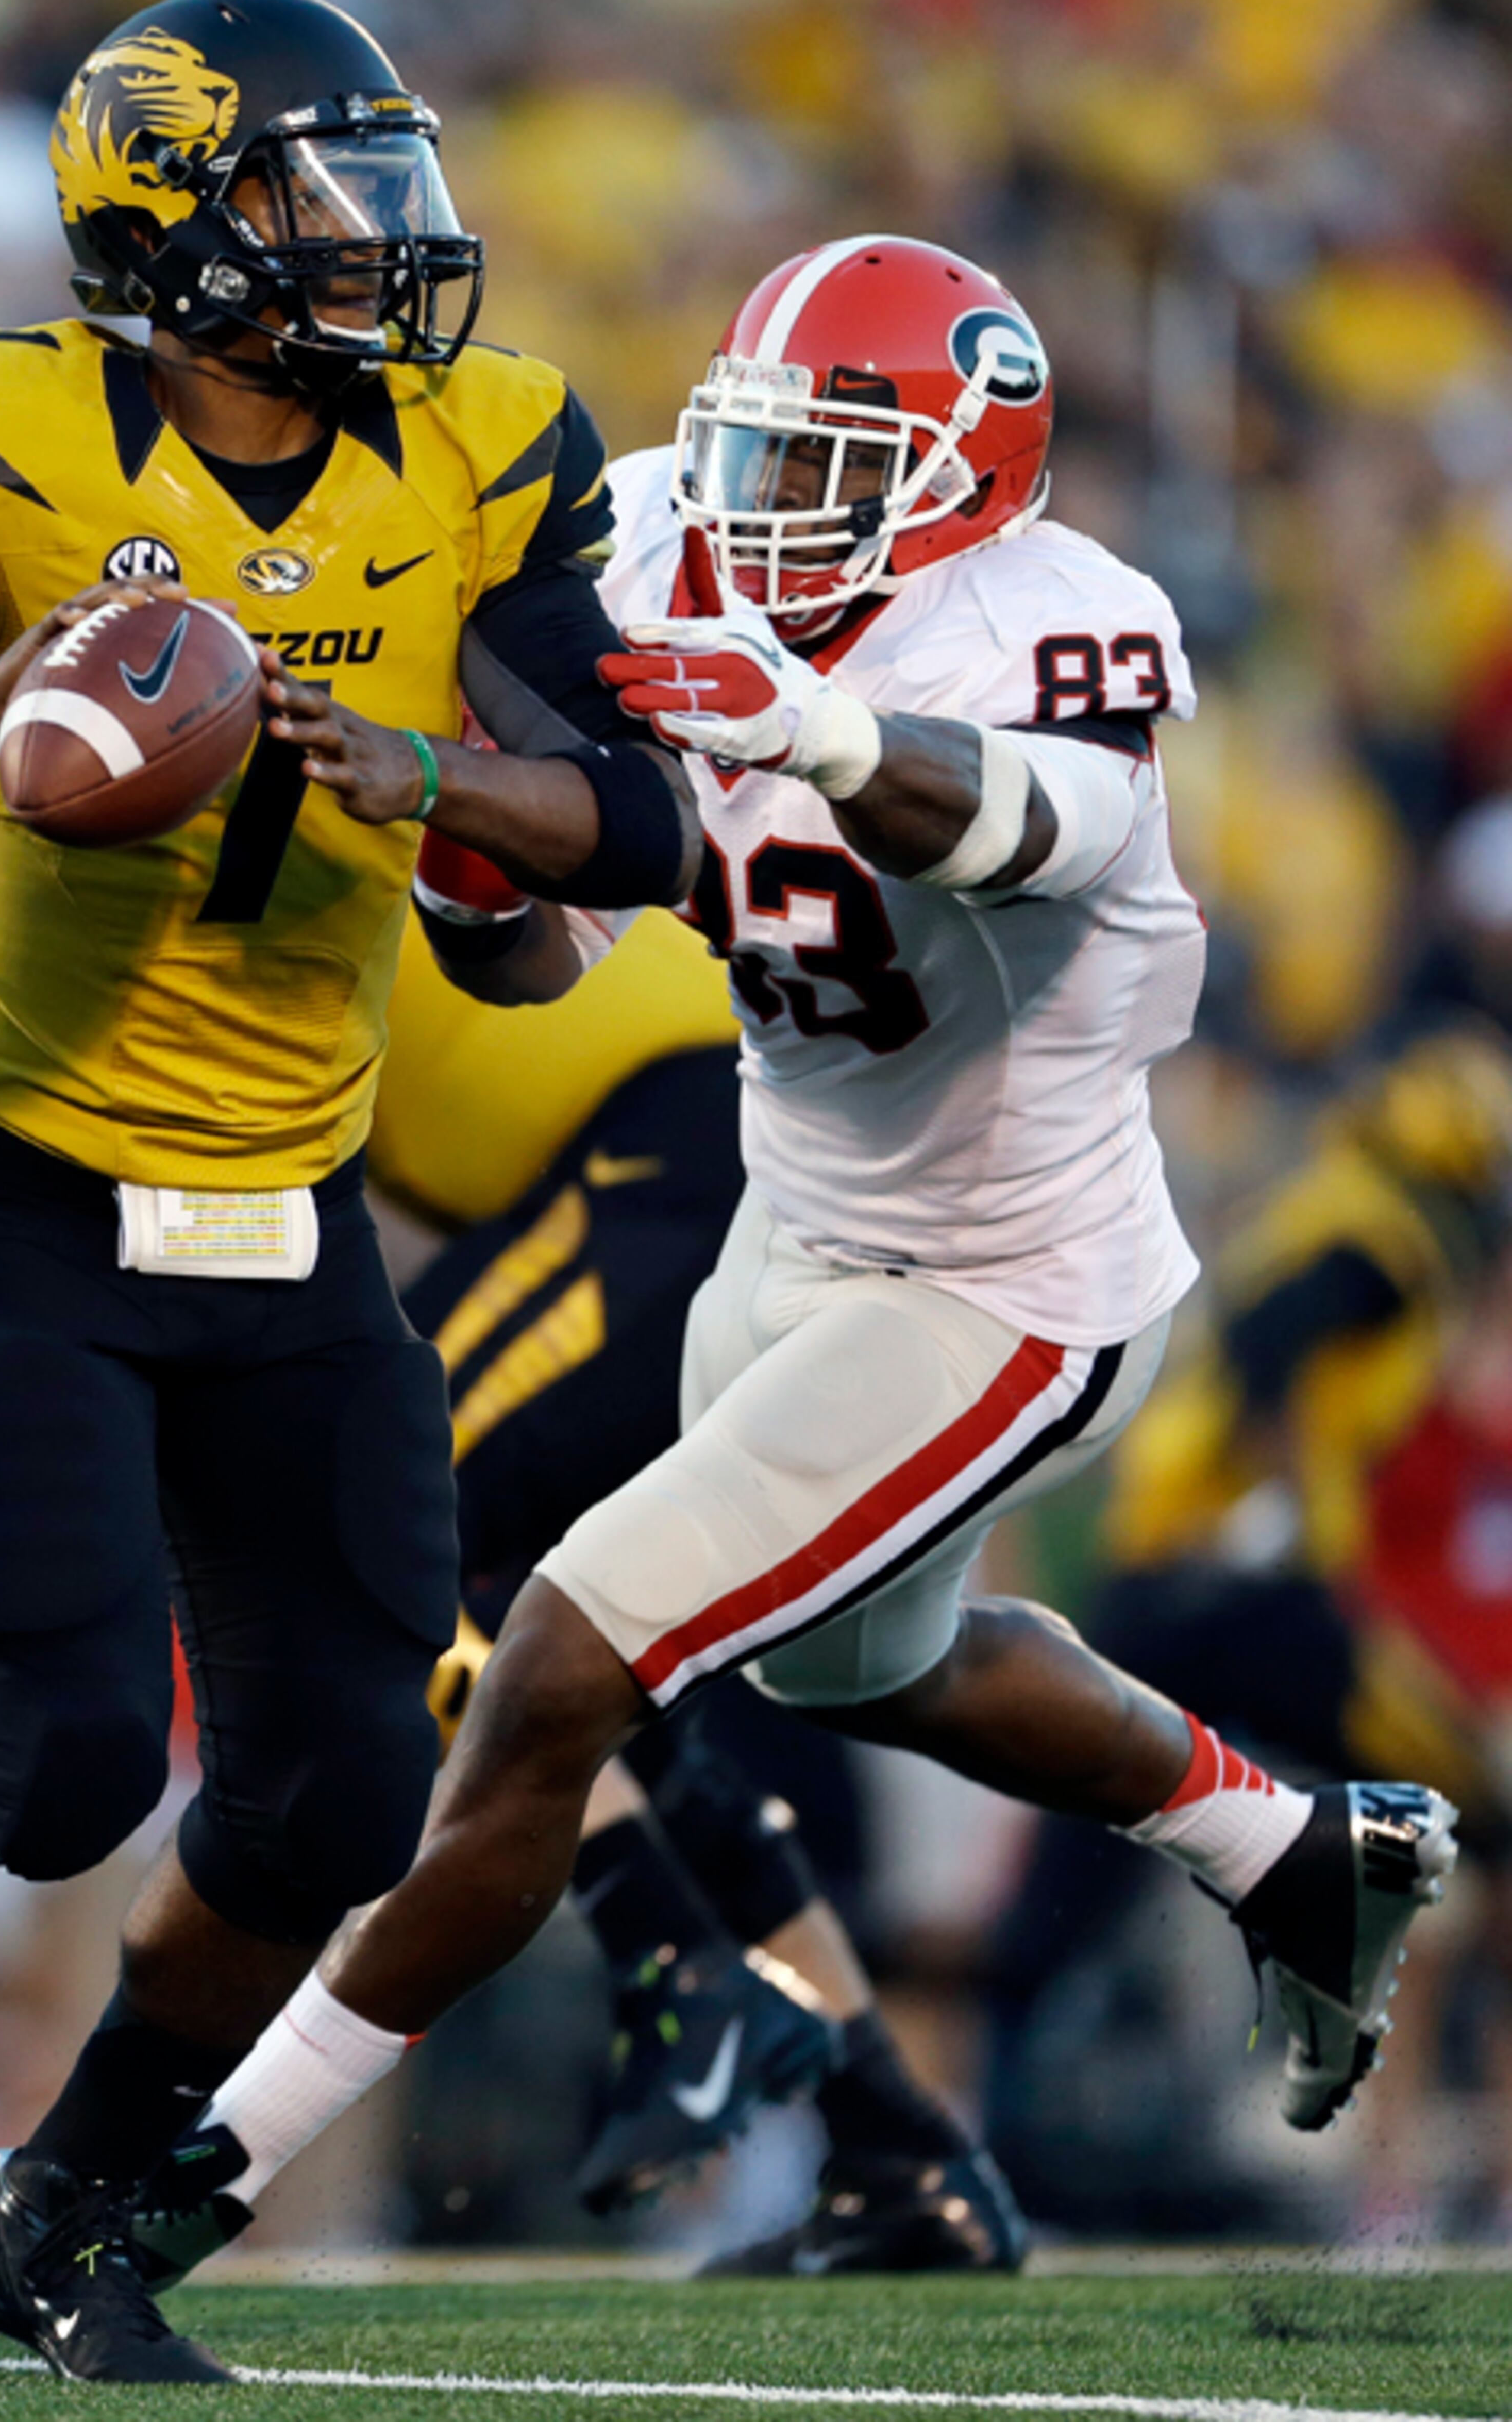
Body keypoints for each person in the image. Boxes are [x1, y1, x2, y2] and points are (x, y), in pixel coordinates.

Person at [128, 237, 1458, 2303]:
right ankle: (1291, 1849)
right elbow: (549, 941)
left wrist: (826, 729)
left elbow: (1026, 821)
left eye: (830, 465)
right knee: (854, 1666)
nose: (765, 503)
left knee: (563, 1654)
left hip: (1013, 1280)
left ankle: (181, 2169)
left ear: (960, 479)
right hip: (796, 1206)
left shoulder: (1053, 618)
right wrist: (477, 863)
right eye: (756, 448)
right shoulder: (657, 533)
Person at [0, 0, 701, 2384]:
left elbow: (636, 814)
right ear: (170, 222)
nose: (383, 234)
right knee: (69, 1759)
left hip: (290, 1206)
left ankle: (64, 2201)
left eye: (387, 178)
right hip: (13, 1178)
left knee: (341, 1793)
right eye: (320, 190)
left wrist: (433, 775)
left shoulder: (489, 442)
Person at [381, 914, 1024, 2266]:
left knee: (359, 1535)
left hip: (683, 1147)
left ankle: (672, 1957)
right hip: (731, 1154)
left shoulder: (142, 863)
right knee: (599, 1668)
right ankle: (894, 2138)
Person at [989, 1023, 1512, 2206]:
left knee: (1086, 1846)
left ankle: (1002, 2114)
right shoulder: (1383, 1236)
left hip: (1164, 1571)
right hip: (1237, 1579)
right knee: (1472, 1800)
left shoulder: (1337, 1208)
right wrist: (1278, 1500)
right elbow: (1272, 1353)